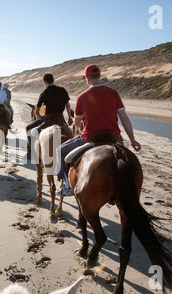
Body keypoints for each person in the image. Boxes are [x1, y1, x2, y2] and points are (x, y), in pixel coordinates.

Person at [56, 64, 141, 196]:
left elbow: (77, 124)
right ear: (100, 76)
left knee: (60, 151)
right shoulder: (113, 93)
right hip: (114, 137)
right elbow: (124, 119)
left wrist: (83, 122)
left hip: (90, 137)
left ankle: (66, 186)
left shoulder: (82, 97)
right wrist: (133, 140)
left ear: (86, 79)